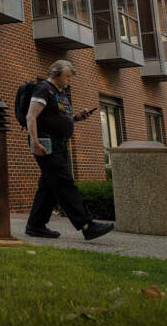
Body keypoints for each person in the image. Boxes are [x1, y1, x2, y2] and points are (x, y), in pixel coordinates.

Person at [25, 59, 114, 240]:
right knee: (64, 183)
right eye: (67, 77)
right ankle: (87, 225)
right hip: (46, 143)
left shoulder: (59, 93)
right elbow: (31, 116)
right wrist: (35, 142)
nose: (68, 81)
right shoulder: (43, 89)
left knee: (49, 185)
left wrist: (76, 118)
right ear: (56, 74)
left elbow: (57, 118)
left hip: (59, 143)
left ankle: (36, 225)